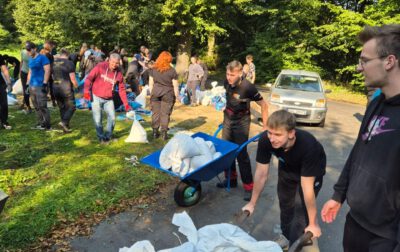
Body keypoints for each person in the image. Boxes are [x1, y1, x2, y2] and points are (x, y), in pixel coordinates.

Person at [321, 24, 400, 252]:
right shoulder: (376, 102)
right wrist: (338, 195)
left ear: (389, 61)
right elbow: (358, 152)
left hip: (386, 238)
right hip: (354, 224)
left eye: (365, 61)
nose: (359, 68)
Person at [242, 110, 326, 248]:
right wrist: (252, 203)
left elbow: (307, 187)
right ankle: (286, 237)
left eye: (278, 134)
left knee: (300, 214)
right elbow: (261, 173)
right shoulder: (265, 140)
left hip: (310, 172)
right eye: (270, 132)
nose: (272, 138)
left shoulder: (309, 146)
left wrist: (312, 223)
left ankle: (295, 245)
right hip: (288, 169)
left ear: (291, 133)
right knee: (286, 206)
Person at [216, 60, 268, 201]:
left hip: (241, 123)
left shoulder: (248, 87)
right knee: (226, 151)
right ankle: (231, 180)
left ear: (240, 73)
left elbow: (264, 104)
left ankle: (249, 187)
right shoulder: (226, 82)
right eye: (227, 74)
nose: (229, 77)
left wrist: (265, 126)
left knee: (241, 154)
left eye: (232, 75)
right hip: (227, 119)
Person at [83, 53, 132, 144]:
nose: (114, 65)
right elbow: (89, 79)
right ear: (109, 60)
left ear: (119, 63)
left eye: (117, 63)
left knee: (112, 118)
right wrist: (86, 92)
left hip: (109, 99)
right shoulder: (100, 67)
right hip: (96, 96)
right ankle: (101, 138)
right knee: (98, 119)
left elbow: (122, 90)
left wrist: (126, 105)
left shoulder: (119, 74)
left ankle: (107, 136)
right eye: (113, 62)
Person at [148, 51, 179, 140]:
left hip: (155, 92)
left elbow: (150, 83)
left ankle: (155, 132)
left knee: (155, 113)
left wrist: (151, 93)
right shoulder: (172, 70)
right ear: (169, 60)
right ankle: (164, 133)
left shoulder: (153, 69)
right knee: (165, 113)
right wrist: (176, 96)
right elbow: (175, 86)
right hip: (168, 93)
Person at [26, 41, 51, 130]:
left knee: (42, 106)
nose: (28, 51)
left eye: (29, 49)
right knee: (36, 106)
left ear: (35, 49)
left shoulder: (42, 58)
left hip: (40, 85)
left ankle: (47, 125)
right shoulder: (30, 59)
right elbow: (30, 71)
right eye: (26, 50)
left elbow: (47, 70)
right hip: (32, 85)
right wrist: (27, 84)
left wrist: (45, 83)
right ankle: (41, 123)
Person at [52, 48, 79, 133]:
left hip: (55, 87)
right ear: (68, 55)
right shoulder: (69, 63)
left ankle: (65, 128)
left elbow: (52, 76)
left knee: (62, 107)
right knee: (72, 106)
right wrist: (76, 87)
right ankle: (64, 122)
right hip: (66, 88)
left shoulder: (53, 62)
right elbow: (73, 79)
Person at [0, 54, 13, 129]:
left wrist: (8, 82)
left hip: (1, 84)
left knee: (4, 104)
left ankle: (4, 121)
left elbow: (4, 69)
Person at [20, 47, 33, 113]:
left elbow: (21, 62)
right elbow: (21, 62)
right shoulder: (33, 54)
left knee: (26, 89)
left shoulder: (23, 52)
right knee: (27, 89)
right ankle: (28, 106)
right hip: (27, 73)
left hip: (27, 72)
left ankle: (27, 105)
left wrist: (20, 71)